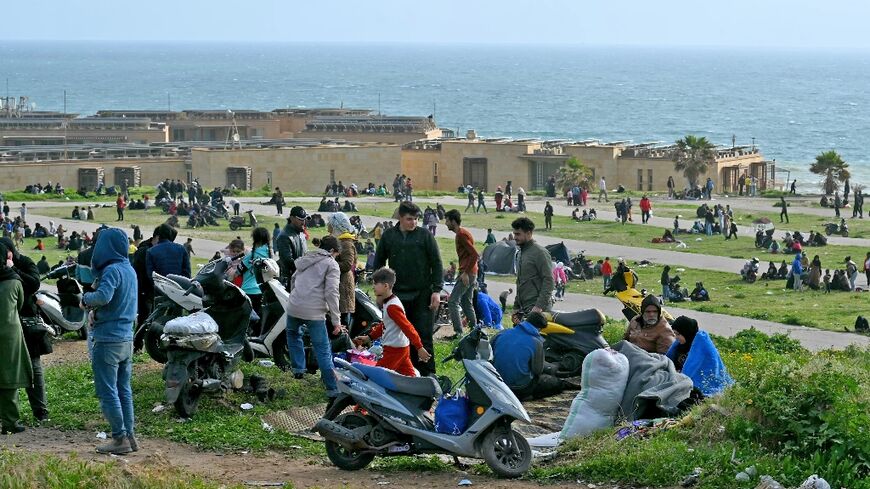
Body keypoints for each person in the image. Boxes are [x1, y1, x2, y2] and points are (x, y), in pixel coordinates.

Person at [81, 228, 138, 454]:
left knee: (107, 391)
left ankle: (119, 438)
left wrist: (85, 299)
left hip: (108, 339)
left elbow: (103, 296)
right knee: (124, 389)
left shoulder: (112, 270)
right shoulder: (129, 269)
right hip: (126, 339)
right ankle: (130, 437)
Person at [374, 202, 443, 376]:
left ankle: (428, 375)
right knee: (399, 334)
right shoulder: (389, 236)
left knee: (422, 334)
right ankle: (406, 372)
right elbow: (379, 264)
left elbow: (437, 263)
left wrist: (437, 290)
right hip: (398, 295)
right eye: (409, 219)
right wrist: (380, 292)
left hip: (422, 293)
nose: (413, 222)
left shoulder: (425, 235)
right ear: (400, 218)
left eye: (416, 219)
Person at [285, 236, 343, 400]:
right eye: (337, 254)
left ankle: (298, 370)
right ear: (332, 251)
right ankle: (332, 388)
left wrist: (295, 297)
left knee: (293, 335)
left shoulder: (306, 258)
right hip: (314, 311)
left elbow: (294, 279)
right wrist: (336, 320)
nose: (336, 257)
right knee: (322, 349)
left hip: (294, 306)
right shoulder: (331, 264)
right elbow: (332, 292)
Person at [354, 267, 430, 377]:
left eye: (376, 284)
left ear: (385, 286)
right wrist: (369, 337)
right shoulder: (388, 303)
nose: (373, 286)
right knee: (410, 377)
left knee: (376, 376)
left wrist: (419, 347)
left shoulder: (392, 307)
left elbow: (407, 327)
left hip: (394, 350)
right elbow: (385, 324)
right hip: (400, 348)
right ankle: (419, 392)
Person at [492, 312, 568, 400]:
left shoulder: (502, 333)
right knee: (555, 383)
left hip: (497, 384)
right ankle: (527, 396)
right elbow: (537, 370)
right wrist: (552, 367)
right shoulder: (536, 342)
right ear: (539, 328)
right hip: (519, 388)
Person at [0, 241, 32, 435]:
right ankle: (10, 422)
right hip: (9, 335)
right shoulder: (14, 281)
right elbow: (19, 305)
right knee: (9, 378)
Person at [666, 316, 733, 397]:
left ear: (686, 332)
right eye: (675, 334)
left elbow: (699, 369)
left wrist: (680, 376)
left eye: (678, 334)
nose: (676, 337)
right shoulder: (680, 346)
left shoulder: (702, 345)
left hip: (702, 382)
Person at [444, 210, 478, 338]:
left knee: (453, 301)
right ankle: (475, 330)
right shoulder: (462, 233)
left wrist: (465, 273)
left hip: (467, 273)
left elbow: (474, 254)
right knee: (466, 302)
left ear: (453, 221)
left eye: (447, 220)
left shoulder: (461, 235)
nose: (446, 223)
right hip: (472, 272)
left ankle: (458, 333)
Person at [512, 217, 554, 314]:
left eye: (518, 234)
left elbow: (549, 280)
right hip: (523, 308)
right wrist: (516, 306)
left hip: (537, 308)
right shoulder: (521, 253)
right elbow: (520, 282)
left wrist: (539, 306)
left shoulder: (540, 253)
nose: (515, 237)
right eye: (514, 234)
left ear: (528, 233)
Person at [328, 213, 357, 328]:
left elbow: (347, 265)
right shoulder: (339, 241)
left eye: (330, 224)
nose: (328, 226)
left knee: (343, 319)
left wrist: (330, 262)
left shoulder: (346, 243)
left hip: (343, 285)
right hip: (338, 283)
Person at [241, 227, 271, 333]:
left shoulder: (250, 256)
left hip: (248, 291)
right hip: (263, 291)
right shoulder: (269, 254)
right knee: (259, 320)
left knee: (248, 322)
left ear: (254, 238)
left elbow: (236, 272)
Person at [276, 206, 309, 285]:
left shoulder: (301, 233)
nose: (303, 222)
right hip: (290, 280)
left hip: (302, 277)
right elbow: (288, 261)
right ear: (292, 218)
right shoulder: (284, 236)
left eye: (304, 219)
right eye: (300, 219)